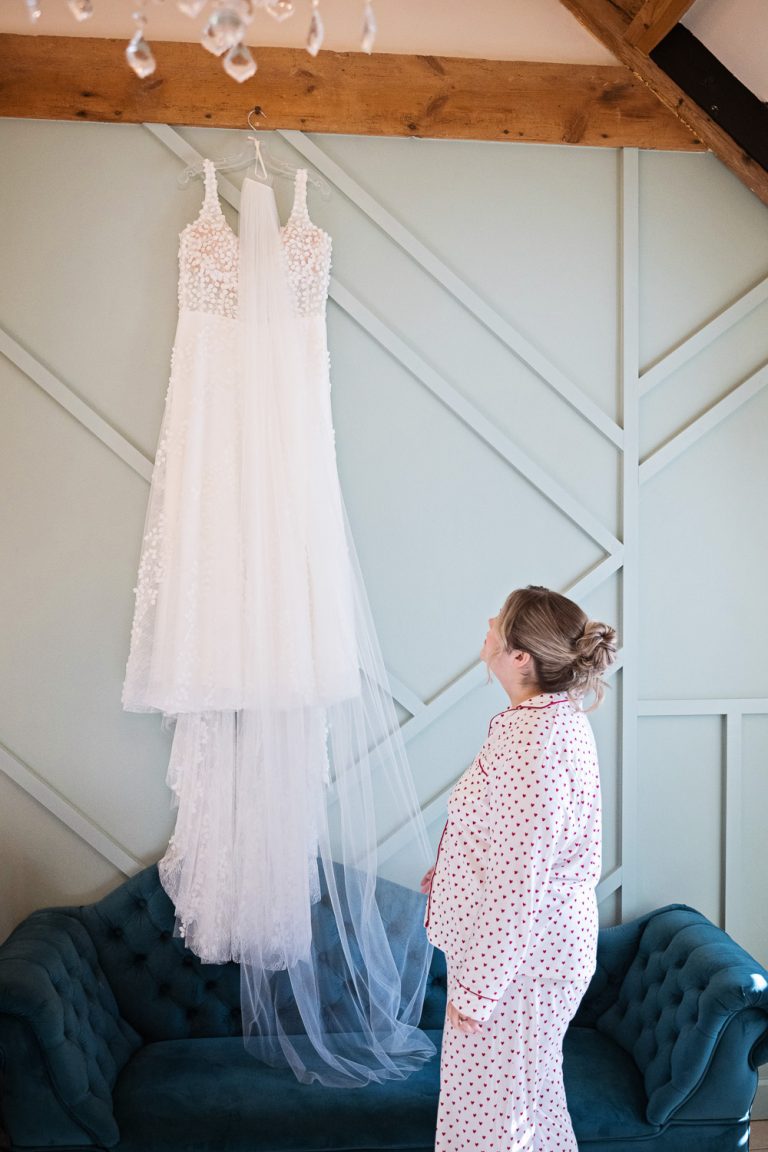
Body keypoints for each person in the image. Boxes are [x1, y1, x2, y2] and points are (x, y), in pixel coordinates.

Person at [422, 585, 617, 1151]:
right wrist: (456, 869)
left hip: (522, 966)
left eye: (500, 620)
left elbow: (519, 885)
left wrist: (479, 989)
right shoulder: (544, 721)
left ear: (520, 657)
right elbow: (518, 847)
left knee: (494, 1126)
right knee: (526, 1106)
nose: (488, 621)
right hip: (531, 955)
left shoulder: (533, 740)